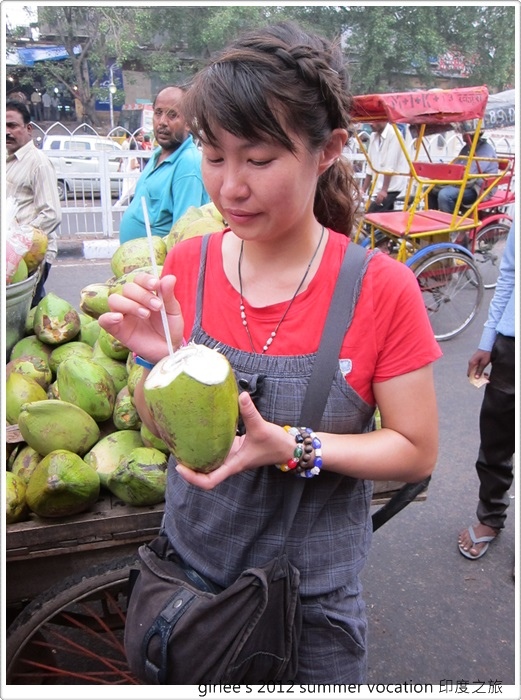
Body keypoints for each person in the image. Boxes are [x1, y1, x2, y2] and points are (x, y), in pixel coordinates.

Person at [99, 22, 441, 683]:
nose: (229, 187)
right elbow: (162, 429)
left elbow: (414, 452)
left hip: (308, 610)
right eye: (213, 155)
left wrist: (290, 446)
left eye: (257, 160)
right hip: (188, 580)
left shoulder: (379, 288)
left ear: (327, 149)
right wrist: (154, 362)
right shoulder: (189, 263)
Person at [458, 217, 515, 562]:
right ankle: (491, 517)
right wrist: (487, 340)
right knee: (496, 437)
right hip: (512, 342)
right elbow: (509, 277)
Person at [118, 85, 210, 244]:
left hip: (158, 260)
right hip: (136, 257)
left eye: (172, 115)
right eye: (158, 113)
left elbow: (183, 236)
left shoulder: (188, 164)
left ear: (188, 123)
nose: (162, 122)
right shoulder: (158, 155)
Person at [6, 100, 62, 306]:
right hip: (11, 254)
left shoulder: (38, 163)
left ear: (28, 128)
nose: (6, 132)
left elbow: (51, 214)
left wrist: (19, 242)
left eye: (12, 126)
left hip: (29, 254)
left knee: (23, 307)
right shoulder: (8, 160)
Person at [428, 121, 498, 213]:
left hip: (478, 188)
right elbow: (457, 165)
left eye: (465, 131)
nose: (462, 134)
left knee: (445, 194)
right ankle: (433, 216)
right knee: (430, 190)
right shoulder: (467, 148)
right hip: (465, 184)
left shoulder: (485, 150)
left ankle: (449, 220)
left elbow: (470, 173)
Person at [361, 121, 409, 212]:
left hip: (393, 188)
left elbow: (390, 166)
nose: (371, 124)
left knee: (372, 213)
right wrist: (363, 189)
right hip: (378, 188)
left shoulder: (394, 134)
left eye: (374, 121)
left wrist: (384, 190)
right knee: (369, 214)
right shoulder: (373, 136)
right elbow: (370, 166)